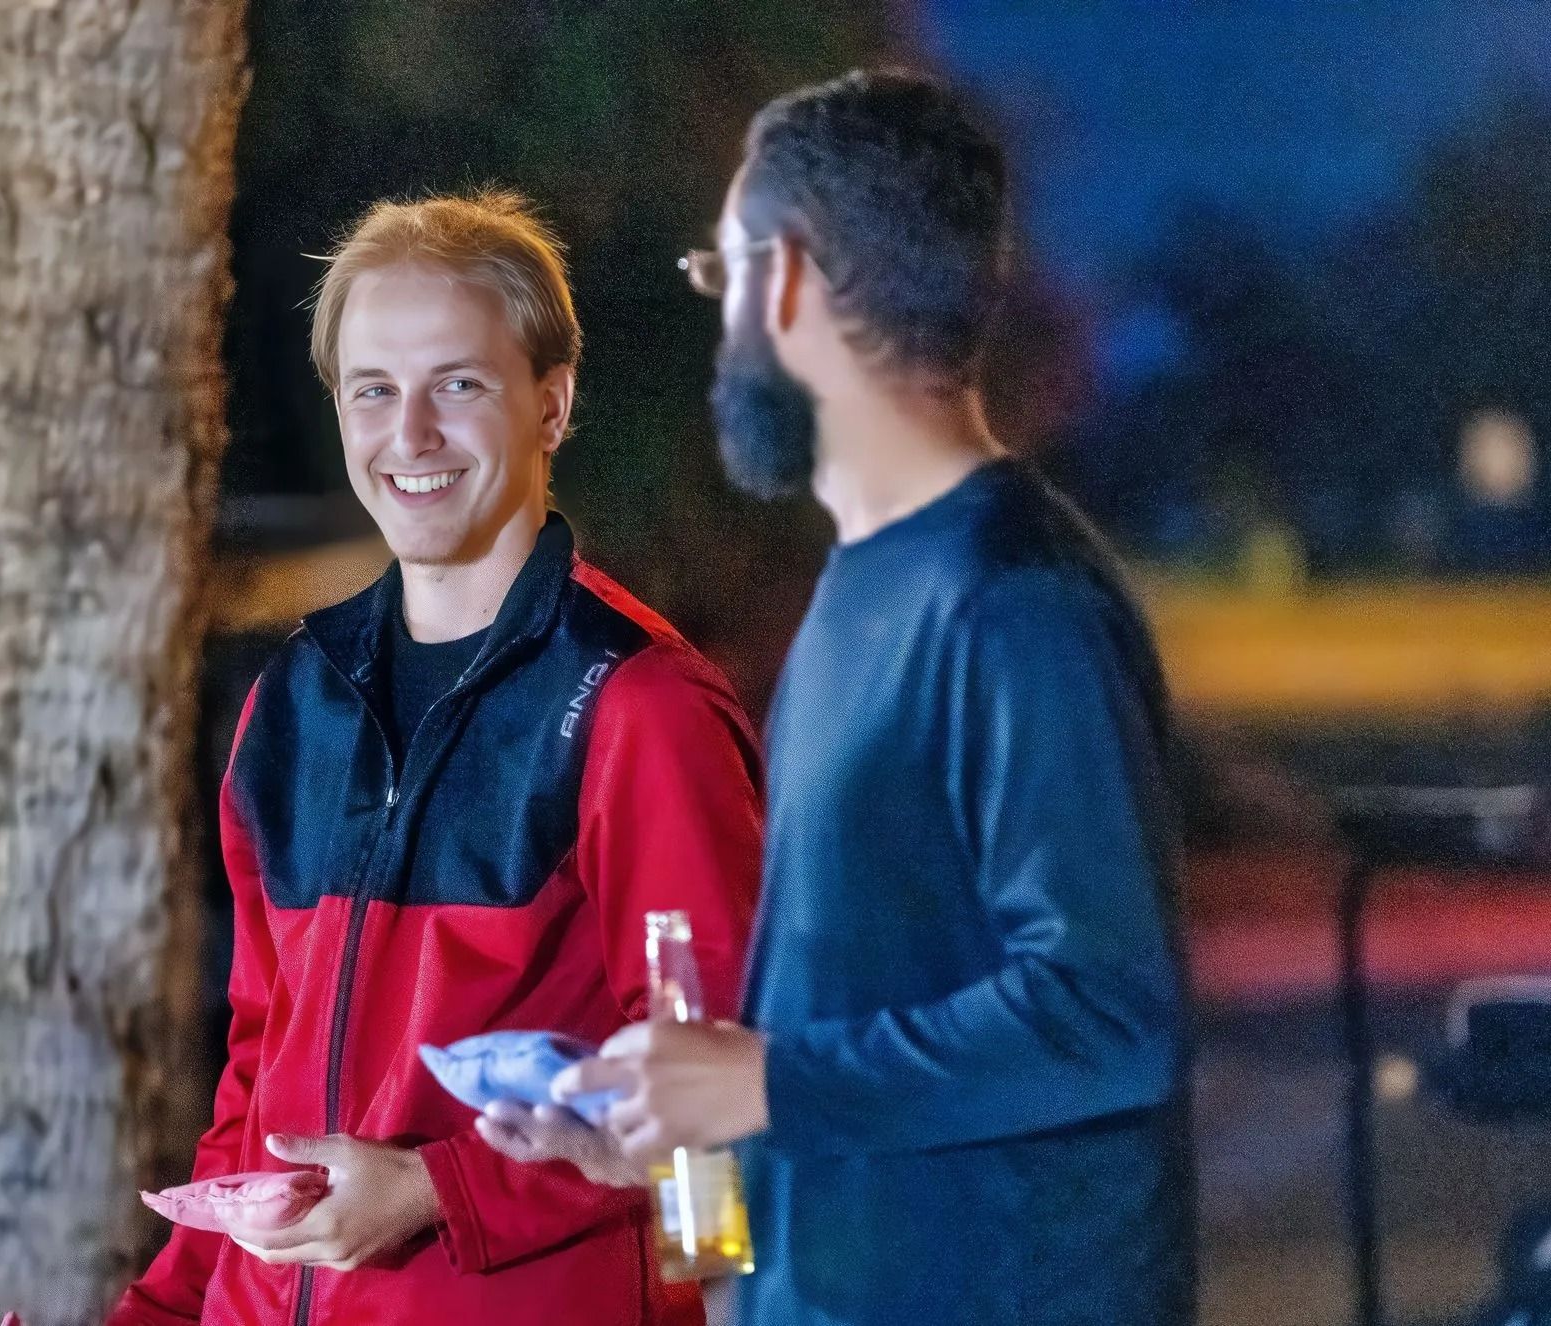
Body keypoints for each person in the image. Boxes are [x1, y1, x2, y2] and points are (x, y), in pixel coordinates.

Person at [482, 70, 1196, 1326]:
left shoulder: (1012, 602)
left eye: (723, 275)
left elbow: (1107, 1012)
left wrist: (762, 1083)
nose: (722, 323)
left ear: (788, 280)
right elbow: (857, 1044)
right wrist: (671, 1129)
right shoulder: (864, 591)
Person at [107, 191, 763, 1326]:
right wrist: (159, 1314)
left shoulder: (641, 708)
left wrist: (437, 1190)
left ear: (552, 404)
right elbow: (257, 1083)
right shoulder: (292, 702)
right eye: (373, 390)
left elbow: (722, 1106)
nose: (408, 435)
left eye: (457, 385)